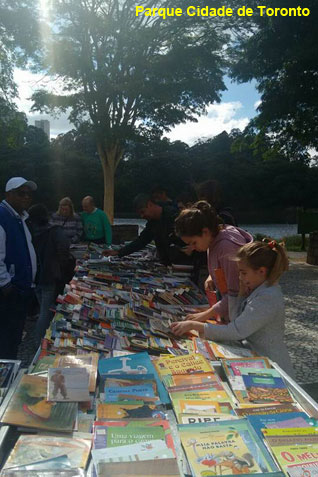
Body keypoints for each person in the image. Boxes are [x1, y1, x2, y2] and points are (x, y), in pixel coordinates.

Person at [171, 240, 295, 377]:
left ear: (261, 271)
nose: (240, 277)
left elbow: (236, 331)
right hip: (258, 360)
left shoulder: (267, 297)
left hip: (271, 366)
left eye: (243, 273)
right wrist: (240, 294)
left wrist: (196, 325)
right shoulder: (259, 290)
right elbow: (235, 319)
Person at [172, 201, 253, 321]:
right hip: (232, 309)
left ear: (205, 231)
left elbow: (236, 294)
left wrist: (205, 315)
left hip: (244, 313)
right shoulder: (213, 239)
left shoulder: (226, 248)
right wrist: (212, 275)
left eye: (193, 243)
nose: (193, 248)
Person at [0, 177, 37, 359]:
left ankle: (8, 374)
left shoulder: (19, 218)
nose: (26, 197)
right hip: (9, 292)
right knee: (6, 339)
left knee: (14, 338)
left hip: (20, 288)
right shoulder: (2, 216)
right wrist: (6, 285)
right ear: (9, 195)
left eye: (29, 194)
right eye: (21, 193)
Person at [104, 193, 189, 265]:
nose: (142, 216)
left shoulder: (174, 216)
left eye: (143, 211)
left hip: (184, 263)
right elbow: (141, 241)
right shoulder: (152, 223)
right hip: (168, 264)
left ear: (150, 204)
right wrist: (119, 252)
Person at [28, 204, 70, 344]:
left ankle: (46, 337)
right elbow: (64, 249)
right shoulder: (54, 231)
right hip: (50, 276)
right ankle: (40, 344)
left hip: (35, 276)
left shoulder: (29, 232)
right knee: (46, 312)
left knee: (44, 309)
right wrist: (62, 268)